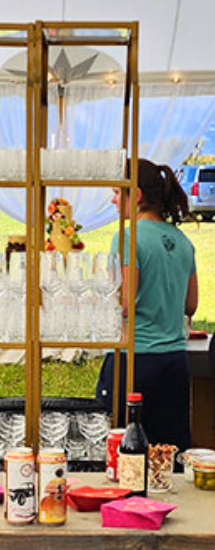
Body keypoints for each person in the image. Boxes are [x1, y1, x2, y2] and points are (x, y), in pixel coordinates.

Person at [97, 158, 197, 452]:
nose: (113, 199)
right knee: (168, 458)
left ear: (136, 195)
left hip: (135, 363)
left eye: (117, 192)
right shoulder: (182, 240)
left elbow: (124, 303)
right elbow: (190, 305)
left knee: (126, 456)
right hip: (174, 362)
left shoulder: (128, 237)